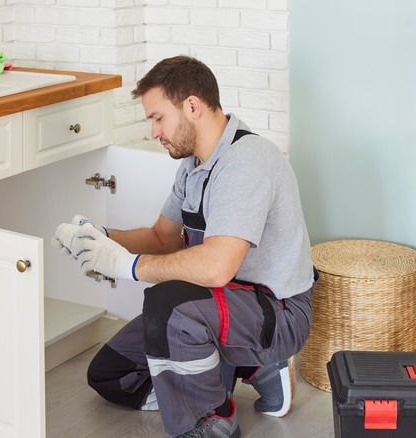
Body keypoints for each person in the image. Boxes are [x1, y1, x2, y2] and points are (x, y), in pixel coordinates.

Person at [51, 55, 316, 438]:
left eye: (158, 117)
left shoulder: (248, 161)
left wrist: (126, 266)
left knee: (167, 305)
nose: (154, 131)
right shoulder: (192, 166)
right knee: (111, 374)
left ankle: (211, 421)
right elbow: (162, 238)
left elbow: (216, 267)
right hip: (216, 301)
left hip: (277, 311)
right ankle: (226, 368)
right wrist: (100, 237)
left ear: (192, 106)